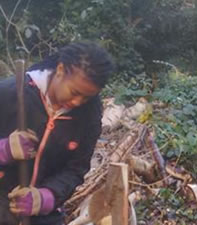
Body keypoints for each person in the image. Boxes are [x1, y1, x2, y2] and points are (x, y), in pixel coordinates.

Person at [0, 42, 115, 225]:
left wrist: (45, 198)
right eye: (75, 92)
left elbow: (76, 169)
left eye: (87, 97)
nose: (78, 102)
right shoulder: (8, 94)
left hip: (44, 216)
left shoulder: (89, 115)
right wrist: (5, 150)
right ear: (60, 69)